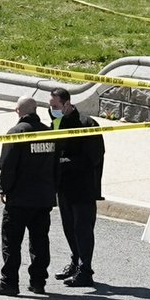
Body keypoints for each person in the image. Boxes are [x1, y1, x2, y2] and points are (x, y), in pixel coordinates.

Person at [0, 98, 58, 295]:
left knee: (12, 243)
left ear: (17, 111)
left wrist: (4, 189)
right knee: (40, 242)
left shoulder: (16, 133)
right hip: (42, 199)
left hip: (19, 199)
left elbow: (7, 166)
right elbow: (55, 166)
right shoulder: (50, 133)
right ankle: (38, 282)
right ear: (36, 109)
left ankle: (9, 283)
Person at [47, 86, 105, 287]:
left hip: (83, 189)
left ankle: (85, 270)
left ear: (67, 104)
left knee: (82, 230)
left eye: (55, 106)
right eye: (50, 105)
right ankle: (75, 261)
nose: (51, 109)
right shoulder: (57, 122)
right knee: (68, 228)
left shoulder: (86, 124)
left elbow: (94, 157)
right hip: (63, 187)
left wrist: (65, 161)